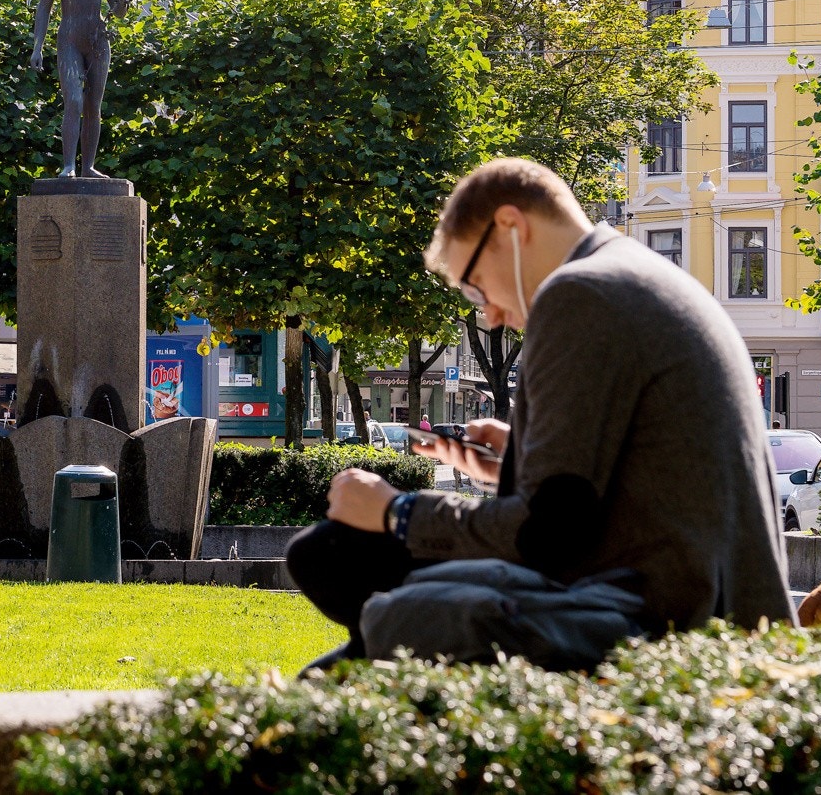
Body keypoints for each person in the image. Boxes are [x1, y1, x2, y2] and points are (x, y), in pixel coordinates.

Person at [286, 157, 794, 673]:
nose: (488, 312)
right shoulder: (635, 275)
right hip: (707, 601)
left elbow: (546, 532)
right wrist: (517, 457)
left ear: (511, 226)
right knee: (338, 564)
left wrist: (397, 510)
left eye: (476, 284)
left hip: (647, 612)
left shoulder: (579, 293)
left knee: (332, 553)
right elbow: (629, 478)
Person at [29, 0, 130, 178]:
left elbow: (118, 12)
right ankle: (69, 165)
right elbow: (44, 7)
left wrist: (121, 1)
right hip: (70, 40)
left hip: (98, 41)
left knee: (93, 105)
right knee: (73, 101)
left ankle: (88, 166)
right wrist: (38, 46)